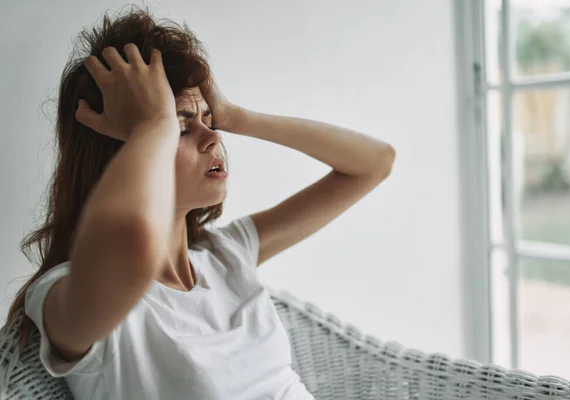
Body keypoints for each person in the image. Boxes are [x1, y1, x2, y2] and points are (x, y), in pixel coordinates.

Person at [4, 5, 395, 400]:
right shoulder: (66, 296)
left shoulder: (226, 254)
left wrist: (236, 116)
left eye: (210, 122)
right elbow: (133, 246)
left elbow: (374, 164)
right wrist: (153, 126)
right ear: (124, 151)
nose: (213, 138)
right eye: (182, 127)